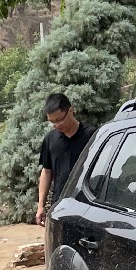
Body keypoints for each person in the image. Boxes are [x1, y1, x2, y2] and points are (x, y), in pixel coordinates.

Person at [35, 92, 95, 225]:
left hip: (87, 205)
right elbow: (46, 171)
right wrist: (41, 206)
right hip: (59, 205)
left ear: (71, 111)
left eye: (59, 119)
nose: (57, 125)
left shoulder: (91, 136)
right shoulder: (50, 139)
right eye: (52, 122)